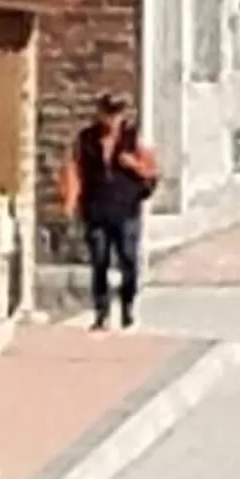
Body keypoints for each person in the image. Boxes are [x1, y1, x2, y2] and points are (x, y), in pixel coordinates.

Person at [58, 92, 158, 330]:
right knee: (99, 261)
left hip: (126, 210)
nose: (112, 119)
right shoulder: (85, 139)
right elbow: (74, 171)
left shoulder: (135, 139)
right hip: (96, 209)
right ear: (100, 113)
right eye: (108, 113)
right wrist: (70, 203)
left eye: (117, 114)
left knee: (128, 260)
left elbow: (152, 171)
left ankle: (128, 306)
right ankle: (101, 312)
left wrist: (134, 165)